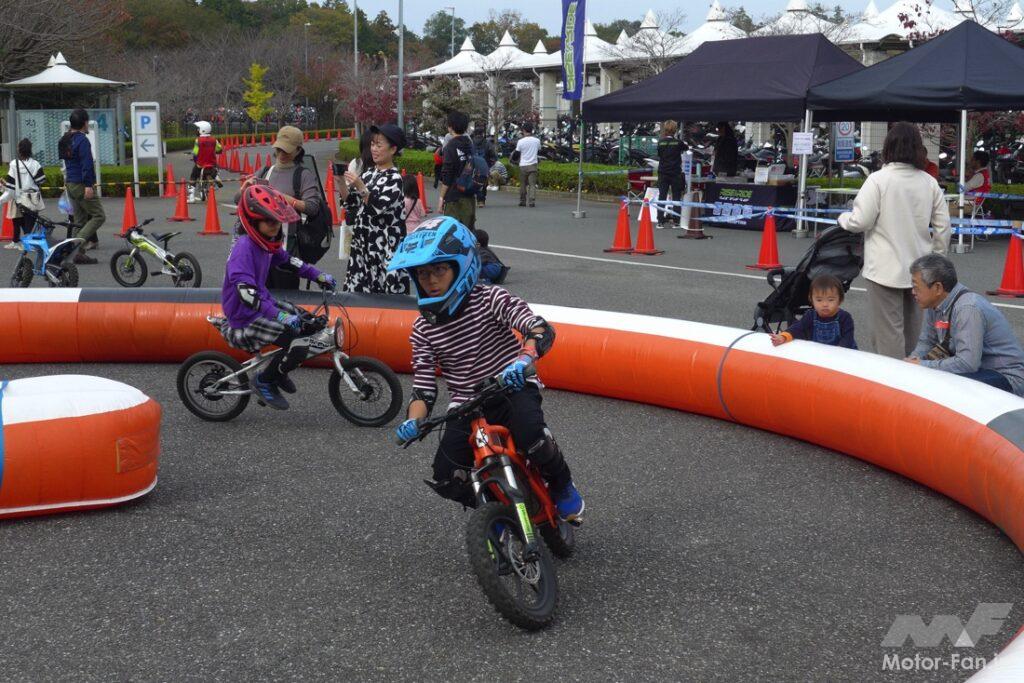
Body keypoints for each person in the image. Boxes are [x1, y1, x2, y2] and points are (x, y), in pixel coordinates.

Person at [388, 217, 584, 519]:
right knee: (446, 475)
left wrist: (522, 361)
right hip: (464, 405)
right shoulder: (422, 329)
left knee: (532, 435)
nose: (430, 280)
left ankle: (562, 484)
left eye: (439, 269)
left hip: (510, 387)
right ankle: (496, 513)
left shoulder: (491, 298)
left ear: (462, 265)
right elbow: (424, 390)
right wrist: (413, 422)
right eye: (422, 273)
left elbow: (537, 328)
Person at [219, 183, 337, 410]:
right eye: (269, 221)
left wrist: (318, 275)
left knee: (308, 325)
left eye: (277, 221)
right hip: (245, 316)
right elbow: (247, 295)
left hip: (263, 304)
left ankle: (278, 370)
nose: (275, 226)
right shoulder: (244, 249)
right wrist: (281, 317)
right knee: (298, 344)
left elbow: (289, 261)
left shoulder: (266, 243)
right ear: (253, 221)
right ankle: (264, 381)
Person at [838, 122, 950, 359]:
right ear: (918, 149)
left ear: (888, 147)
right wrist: (937, 260)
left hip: (884, 269)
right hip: (921, 271)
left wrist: (843, 218)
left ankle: (892, 385)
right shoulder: (929, 182)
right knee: (915, 334)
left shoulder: (878, 180)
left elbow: (860, 221)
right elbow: (943, 227)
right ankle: (914, 379)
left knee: (888, 335)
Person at [907, 254, 1024, 395]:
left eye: (916, 287)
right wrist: (912, 363)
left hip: (1006, 376)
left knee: (945, 388)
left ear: (937, 288)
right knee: (924, 378)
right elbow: (927, 341)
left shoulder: (967, 309)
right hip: (980, 369)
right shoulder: (935, 304)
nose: (913, 292)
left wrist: (923, 365)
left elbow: (967, 363)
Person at [237, 125, 322, 290]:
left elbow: (312, 207)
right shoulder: (264, 172)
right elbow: (239, 201)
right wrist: (243, 191)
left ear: (298, 151)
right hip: (258, 247)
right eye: (279, 149)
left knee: (286, 296)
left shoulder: (303, 175)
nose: (282, 154)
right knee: (259, 295)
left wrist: (283, 198)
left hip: (286, 247)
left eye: (287, 150)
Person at [338, 123, 410, 294]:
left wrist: (360, 185)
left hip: (385, 250)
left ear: (393, 149)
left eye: (379, 145)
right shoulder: (369, 173)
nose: (374, 149)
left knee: (387, 300)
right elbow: (352, 203)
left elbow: (378, 206)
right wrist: (341, 182)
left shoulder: (395, 178)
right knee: (358, 296)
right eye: (372, 144)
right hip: (363, 247)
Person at [59, 108, 105, 265]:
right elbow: (86, 164)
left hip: (70, 183)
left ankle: (78, 254)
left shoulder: (65, 139)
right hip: (81, 183)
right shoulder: (82, 140)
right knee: (99, 216)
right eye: (87, 122)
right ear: (84, 123)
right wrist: (88, 186)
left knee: (80, 220)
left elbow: (67, 161)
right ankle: (75, 245)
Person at [770, 275, 856, 349]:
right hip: (819, 353)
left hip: (841, 354)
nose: (825, 304)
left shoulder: (845, 318)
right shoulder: (810, 315)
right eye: (819, 300)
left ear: (840, 300)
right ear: (811, 300)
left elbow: (847, 340)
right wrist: (783, 337)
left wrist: (837, 353)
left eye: (830, 300)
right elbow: (797, 328)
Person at [2, 139, 47, 250]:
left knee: (19, 220)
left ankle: (22, 243)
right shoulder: (36, 164)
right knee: (30, 222)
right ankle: (29, 244)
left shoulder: (14, 164)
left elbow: (10, 188)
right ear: (30, 150)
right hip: (33, 198)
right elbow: (41, 180)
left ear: (19, 150)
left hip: (20, 198)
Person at [438, 111, 477, 228]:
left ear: (450, 127)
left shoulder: (450, 146)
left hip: (454, 196)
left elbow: (447, 175)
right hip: (469, 194)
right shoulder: (470, 145)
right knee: (469, 232)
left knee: (453, 232)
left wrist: (441, 198)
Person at [656, 120, 684, 229]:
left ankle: (660, 221)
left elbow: (659, 154)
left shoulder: (660, 142)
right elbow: (685, 149)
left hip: (663, 172)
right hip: (675, 172)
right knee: (676, 197)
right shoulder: (678, 142)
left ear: (665, 130)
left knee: (662, 196)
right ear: (675, 130)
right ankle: (676, 221)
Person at [188, 120, 222, 203]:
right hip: (212, 164)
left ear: (202, 130)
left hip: (201, 164)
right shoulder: (214, 140)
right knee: (216, 168)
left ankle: (191, 197)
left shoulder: (198, 140)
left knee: (193, 176)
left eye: (198, 129)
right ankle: (215, 176)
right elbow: (219, 149)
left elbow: (195, 153)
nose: (197, 130)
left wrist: (195, 160)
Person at [514, 122, 541, 208]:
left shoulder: (520, 141)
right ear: (532, 130)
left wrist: (514, 160)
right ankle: (531, 201)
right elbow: (539, 149)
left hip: (523, 165)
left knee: (523, 184)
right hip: (533, 164)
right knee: (532, 184)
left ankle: (522, 201)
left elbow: (516, 154)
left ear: (524, 130)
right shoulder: (537, 141)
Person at [471, 127, 497, 208]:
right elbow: (493, 156)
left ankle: (475, 199)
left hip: (473, 166)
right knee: (483, 184)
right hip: (484, 166)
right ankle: (481, 201)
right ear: (483, 134)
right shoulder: (487, 143)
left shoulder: (471, 143)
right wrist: (490, 164)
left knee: (473, 182)